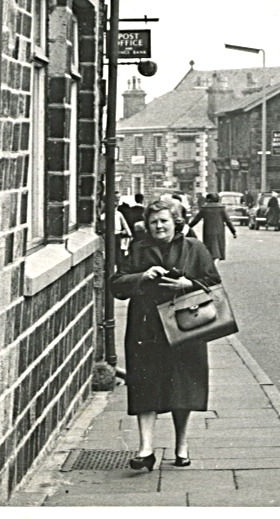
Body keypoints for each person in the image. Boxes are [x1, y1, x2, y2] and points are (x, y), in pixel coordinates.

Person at [111, 195, 222, 471]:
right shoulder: (138, 250)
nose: (159, 227)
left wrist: (187, 283)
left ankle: (181, 446)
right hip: (145, 328)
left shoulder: (194, 248)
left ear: (176, 222)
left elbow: (213, 282)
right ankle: (145, 449)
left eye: (164, 221)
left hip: (184, 328)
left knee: (182, 388)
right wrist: (142, 277)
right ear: (146, 226)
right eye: (153, 222)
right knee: (144, 384)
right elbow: (117, 285)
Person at [195, 193, 238, 261]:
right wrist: (233, 231)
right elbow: (228, 221)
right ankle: (216, 261)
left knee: (209, 248)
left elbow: (196, 219)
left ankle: (211, 262)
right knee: (219, 247)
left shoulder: (204, 208)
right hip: (219, 230)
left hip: (207, 230)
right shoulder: (221, 208)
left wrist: (188, 227)